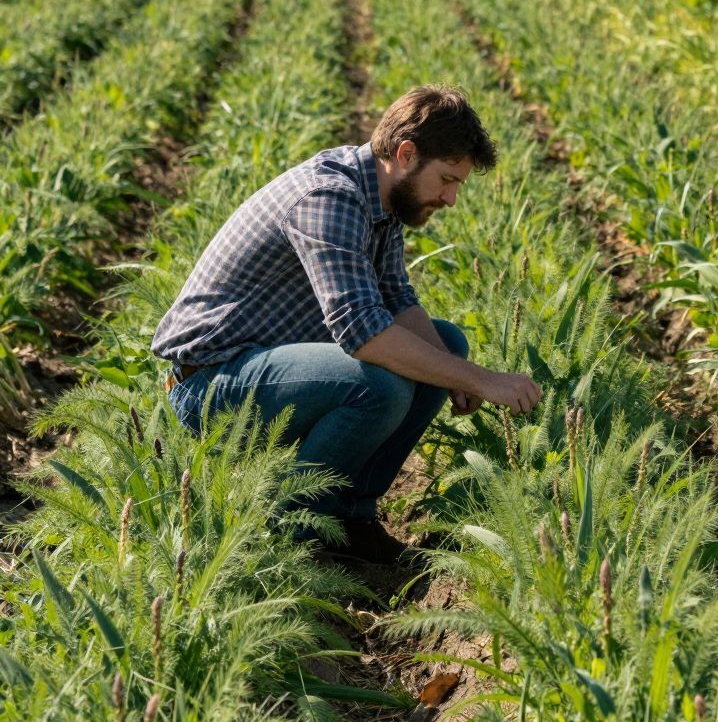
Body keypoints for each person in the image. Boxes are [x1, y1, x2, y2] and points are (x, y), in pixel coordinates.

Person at [153, 85, 542, 565]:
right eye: (446, 179)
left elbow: (396, 299)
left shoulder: (382, 199)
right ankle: (298, 526)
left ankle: (351, 517)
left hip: (264, 366)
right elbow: (362, 331)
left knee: (447, 345)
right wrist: (480, 380)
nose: (451, 198)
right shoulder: (328, 199)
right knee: (381, 387)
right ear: (405, 154)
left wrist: (457, 369)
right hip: (210, 383)